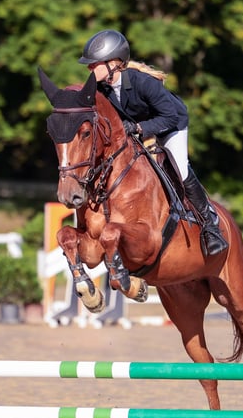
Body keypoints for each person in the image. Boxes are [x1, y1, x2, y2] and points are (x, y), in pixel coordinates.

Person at [78, 28, 228, 256]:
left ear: (114, 63)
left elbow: (170, 116)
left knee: (179, 168)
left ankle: (210, 226)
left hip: (170, 124)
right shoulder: (102, 89)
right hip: (138, 130)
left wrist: (139, 128)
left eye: (94, 64)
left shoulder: (143, 82)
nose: (90, 68)